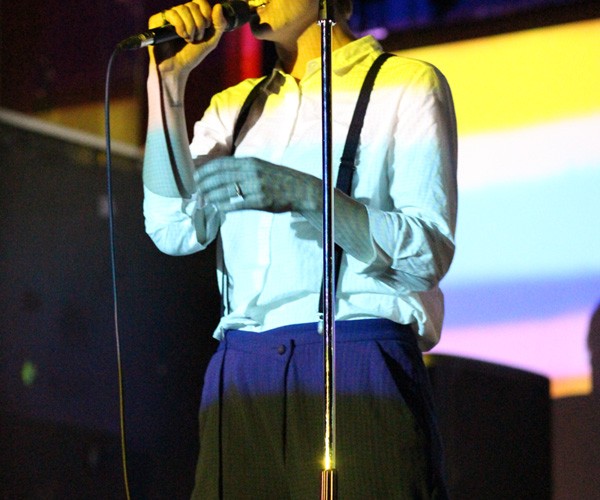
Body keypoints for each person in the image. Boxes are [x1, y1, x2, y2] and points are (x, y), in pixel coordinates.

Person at [142, 0, 457, 498]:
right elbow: (172, 227)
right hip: (241, 371)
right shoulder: (233, 106)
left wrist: (307, 195)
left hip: (356, 357)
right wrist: (166, 86)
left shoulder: (407, 84)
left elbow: (426, 252)